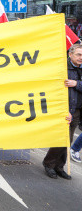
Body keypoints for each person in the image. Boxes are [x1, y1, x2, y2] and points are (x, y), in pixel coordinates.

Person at [42, 44, 82, 179]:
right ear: (70, 54)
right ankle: (49, 163)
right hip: (65, 109)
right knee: (63, 138)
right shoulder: (62, 68)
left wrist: (77, 83)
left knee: (67, 140)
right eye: (78, 54)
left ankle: (59, 166)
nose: (81, 58)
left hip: (77, 110)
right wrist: (64, 109)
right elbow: (55, 89)